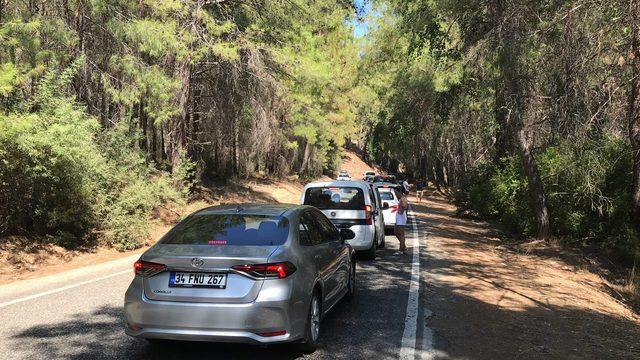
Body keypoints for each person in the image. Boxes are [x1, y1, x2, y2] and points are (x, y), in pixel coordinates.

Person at [394, 189, 409, 255]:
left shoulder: (403, 198)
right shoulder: (401, 198)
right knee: (396, 232)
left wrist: (401, 211)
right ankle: (404, 246)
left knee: (401, 234)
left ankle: (401, 250)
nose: (396, 194)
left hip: (401, 217)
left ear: (400, 192)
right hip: (399, 217)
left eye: (396, 193)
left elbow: (405, 206)